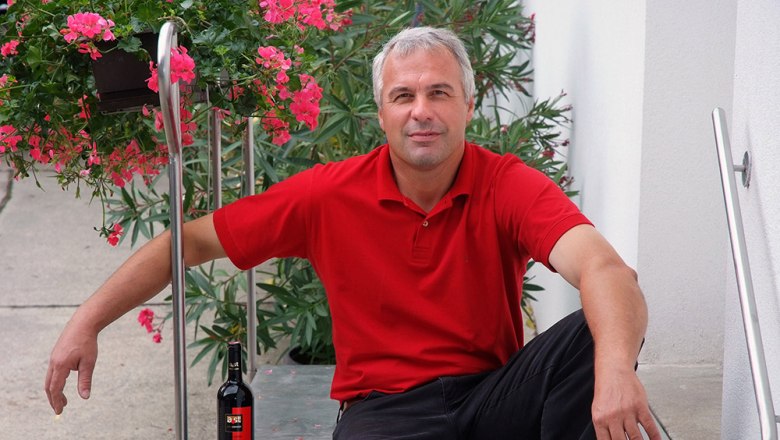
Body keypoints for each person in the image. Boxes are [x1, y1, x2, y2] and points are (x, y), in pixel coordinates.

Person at [45, 26, 661, 439]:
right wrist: (87, 320)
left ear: (468, 106)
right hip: (385, 415)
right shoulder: (329, 194)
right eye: (404, 95)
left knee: (595, 328)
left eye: (440, 93)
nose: (422, 109)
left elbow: (608, 272)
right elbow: (193, 242)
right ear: (382, 112)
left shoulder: (506, 183)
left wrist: (614, 372)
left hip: (491, 399)